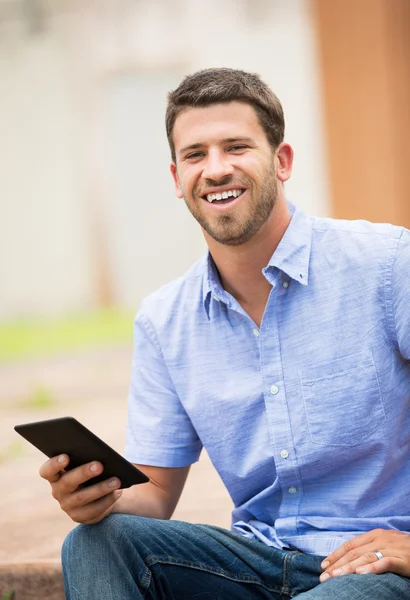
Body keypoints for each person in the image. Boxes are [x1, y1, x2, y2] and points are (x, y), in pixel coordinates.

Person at [40, 68, 410, 599]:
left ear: (281, 162)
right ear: (176, 178)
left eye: (236, 147)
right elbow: (156, 494)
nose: (215, 170)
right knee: (94, 542)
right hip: (254, 561)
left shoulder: (387, 265)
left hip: (372, 569)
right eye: (195, 155)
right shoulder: (165, 320)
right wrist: (97, 497)